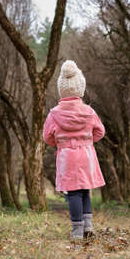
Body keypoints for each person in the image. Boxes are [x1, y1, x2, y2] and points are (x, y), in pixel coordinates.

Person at [43, 60, 106, 242]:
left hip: (67, 157)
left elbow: (47, 137)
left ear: (61, 89)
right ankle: (88, 225)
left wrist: (60, 142)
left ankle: (77, 230)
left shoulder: (54, 113)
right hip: (86, 155)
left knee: (73, 193)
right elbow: (100, 132)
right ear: (81, 88)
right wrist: (87, 140)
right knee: (85, 189)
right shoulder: (89, 111)